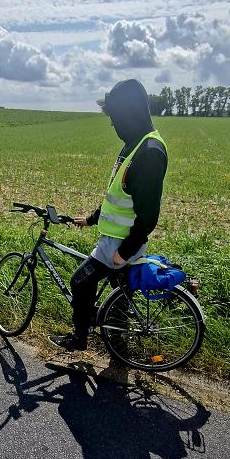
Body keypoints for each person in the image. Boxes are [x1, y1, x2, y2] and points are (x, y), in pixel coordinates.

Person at [48, 79, 168, 352]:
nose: (112, 123)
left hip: (119, 245)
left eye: (114, 115)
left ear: (128, 112)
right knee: (119, 294)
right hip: (116, 241)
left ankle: (78, 338)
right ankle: (118, 343)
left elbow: (148, 214)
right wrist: (91, 219)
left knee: (80, 282)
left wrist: (125, 252)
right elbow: (118, 195)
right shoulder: (134, 145)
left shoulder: (148, 152)